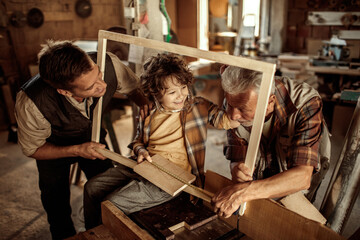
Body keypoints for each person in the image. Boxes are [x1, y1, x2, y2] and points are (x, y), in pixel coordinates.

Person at [83, 53, 240, 229]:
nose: (180, 96)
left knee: (113, 203)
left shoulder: (198, 106)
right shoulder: (149, 111)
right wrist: (140, 151)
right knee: (92, 187)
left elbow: (227, 120)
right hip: (143, 166)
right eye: (172, 92)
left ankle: (105, 232)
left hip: (171, 177)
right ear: (156, 93)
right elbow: (138, 142)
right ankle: (91, 233)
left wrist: (233, 90)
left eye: (183, 87)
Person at [15, 40, 149, 239]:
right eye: (90, 87)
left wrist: (147, 108)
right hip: (52, 148)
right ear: (65, 91)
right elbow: (33, 149)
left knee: (107, 191)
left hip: (93, 138)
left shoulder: (108, 63)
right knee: (56, 205)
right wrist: (77, 149)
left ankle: (102, 232)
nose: (102, 86)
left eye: (98, 75)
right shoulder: (32, 102)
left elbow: (133, 88)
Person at [212, 66, 331, 218]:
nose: (233, 115)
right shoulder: (235, 101)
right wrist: (236, 167)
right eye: (229, 104)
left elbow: (302, 176)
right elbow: (237, 154)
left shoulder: (305, 102)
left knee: (294, 217)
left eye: (242, 109)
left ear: (269, 102)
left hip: (294, 169)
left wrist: (244, 192)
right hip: (263, 164)